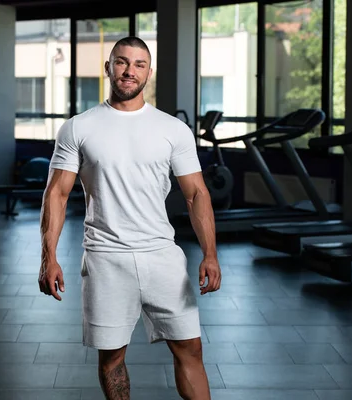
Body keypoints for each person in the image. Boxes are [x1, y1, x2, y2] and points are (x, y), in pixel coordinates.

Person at [38, 36, 221, 400]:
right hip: (106, 257)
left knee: (191, 349)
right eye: (121, 62)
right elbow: (56, 194)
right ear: (108, 67)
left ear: (148, 73)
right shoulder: (79, 127)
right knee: (112, 359)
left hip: (161, 255)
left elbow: (197, 193)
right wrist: (49, 257)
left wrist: (211, 254)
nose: (129, 71)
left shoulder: (172, 129)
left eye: (139, 64)